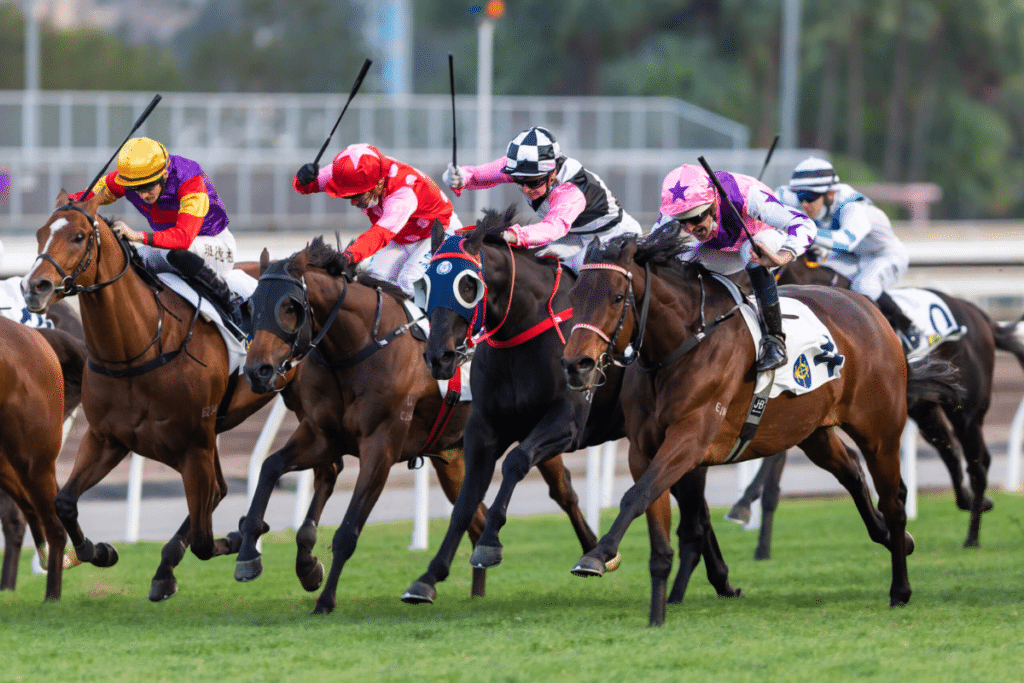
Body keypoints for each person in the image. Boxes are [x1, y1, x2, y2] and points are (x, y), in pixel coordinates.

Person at [654, 164, 818, 372]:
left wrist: (783, 256)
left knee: (751, 251)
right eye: (682, 222)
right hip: (728, 246)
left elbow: (804, 224)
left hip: (766, 237)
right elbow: (649, 246)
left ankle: (774, 341)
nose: (690, 228)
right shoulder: (678, 206)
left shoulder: (747, 195)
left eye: (696, 218)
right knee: (679, 260)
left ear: (713, 203)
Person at [71, 137, 243, 329]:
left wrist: (138, 236)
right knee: (132, 260)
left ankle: (230, 301)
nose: (143, 195)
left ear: (164, 174)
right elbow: (84, 198)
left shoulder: (190, 178)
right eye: (135, 189)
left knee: (176, 253)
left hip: (215, 247)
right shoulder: (130, 178)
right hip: (167, 247)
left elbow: (183, 239)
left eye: (148, 187)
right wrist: (66, 204)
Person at [441, 126, 642, 273]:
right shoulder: (523, 167)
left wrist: (510, 235)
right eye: (519, 181)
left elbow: (553, 228)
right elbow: (478, 175)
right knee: (532, 264)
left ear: (553, 172)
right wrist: (459, 177)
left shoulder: (571, 189)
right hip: (573, 236)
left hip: (612, 237)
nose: (526, 189)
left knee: (585, 269)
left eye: (533, 183)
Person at [784, 157, 920, 353]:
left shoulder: (853, 208)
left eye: (809, 197)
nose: (804, 204)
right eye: (799, 197)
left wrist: (809, 233)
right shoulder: (820, 201)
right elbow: (778, 196)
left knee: (863, 286)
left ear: (830, 194)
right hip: (854, 257)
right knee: (820, 275)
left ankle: (907, 326)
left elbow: (846, 241)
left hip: (885, 255)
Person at [293, 143, 461, 298]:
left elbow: (379, 235)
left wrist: (348, 256)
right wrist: (301, 180)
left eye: (358, 196)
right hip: (401, 236)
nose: (353, 202)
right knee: (374, 281)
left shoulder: (403, 195)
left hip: (438, 233)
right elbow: (305, 186)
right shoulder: (345, 173)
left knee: (409, 280)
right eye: (347, 197)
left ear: (379, 183)